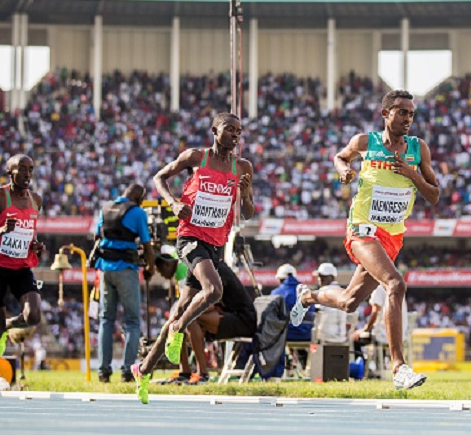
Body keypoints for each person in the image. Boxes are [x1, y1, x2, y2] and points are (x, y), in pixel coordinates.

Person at [290, 89, 439, 391]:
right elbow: (340, 156)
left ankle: (307, 296)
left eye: (411, 113)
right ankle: (399, 368)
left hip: (393, 236)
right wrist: (344, 170)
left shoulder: (418, 149)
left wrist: (412, 174)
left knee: (349, 302)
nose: (408, 118)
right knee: (396, 284)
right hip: (363, 228)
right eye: (401, 112)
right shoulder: (365, 142)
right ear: (386, 114)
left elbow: (434, 195)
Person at [131, 112, 254, 404]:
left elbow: (247, 214)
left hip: (215, 244)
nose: (235, 135)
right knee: (214, 290)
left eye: (239, 131)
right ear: (214, 130)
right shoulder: (195, 158)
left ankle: (144, 368)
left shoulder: (243, 166)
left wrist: (246, 195)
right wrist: (173, 203)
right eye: (229, 129)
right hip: (189, 238)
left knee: (182, 306)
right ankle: (178, 330)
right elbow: (159, 177)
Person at [0, 154, 46, 400]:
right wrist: (1, 230)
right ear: (10, 173)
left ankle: (6, 329)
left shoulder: (36, 200)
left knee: (33, 315)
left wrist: (36, 245)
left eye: (31, 169)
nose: (27, 174)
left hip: (22, 267)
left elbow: (29, 233)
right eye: (22, 169)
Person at [95, 183, 156, 384]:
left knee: (106, 319)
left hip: (105, 269)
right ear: (138, 198)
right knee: (132, 321)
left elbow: (97, 236)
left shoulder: (105, 207)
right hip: (126, 270)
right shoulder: (137, 212)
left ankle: (103, 371)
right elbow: (147, 244)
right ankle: (127, 371)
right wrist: (150, 267)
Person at [312, 263, 347, 344]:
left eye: (323, 276)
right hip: (342, 338)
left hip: (325, 337)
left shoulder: (322, 292)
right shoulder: (342, 291)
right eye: (320, 276)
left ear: (331, 277)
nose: (320, 279)